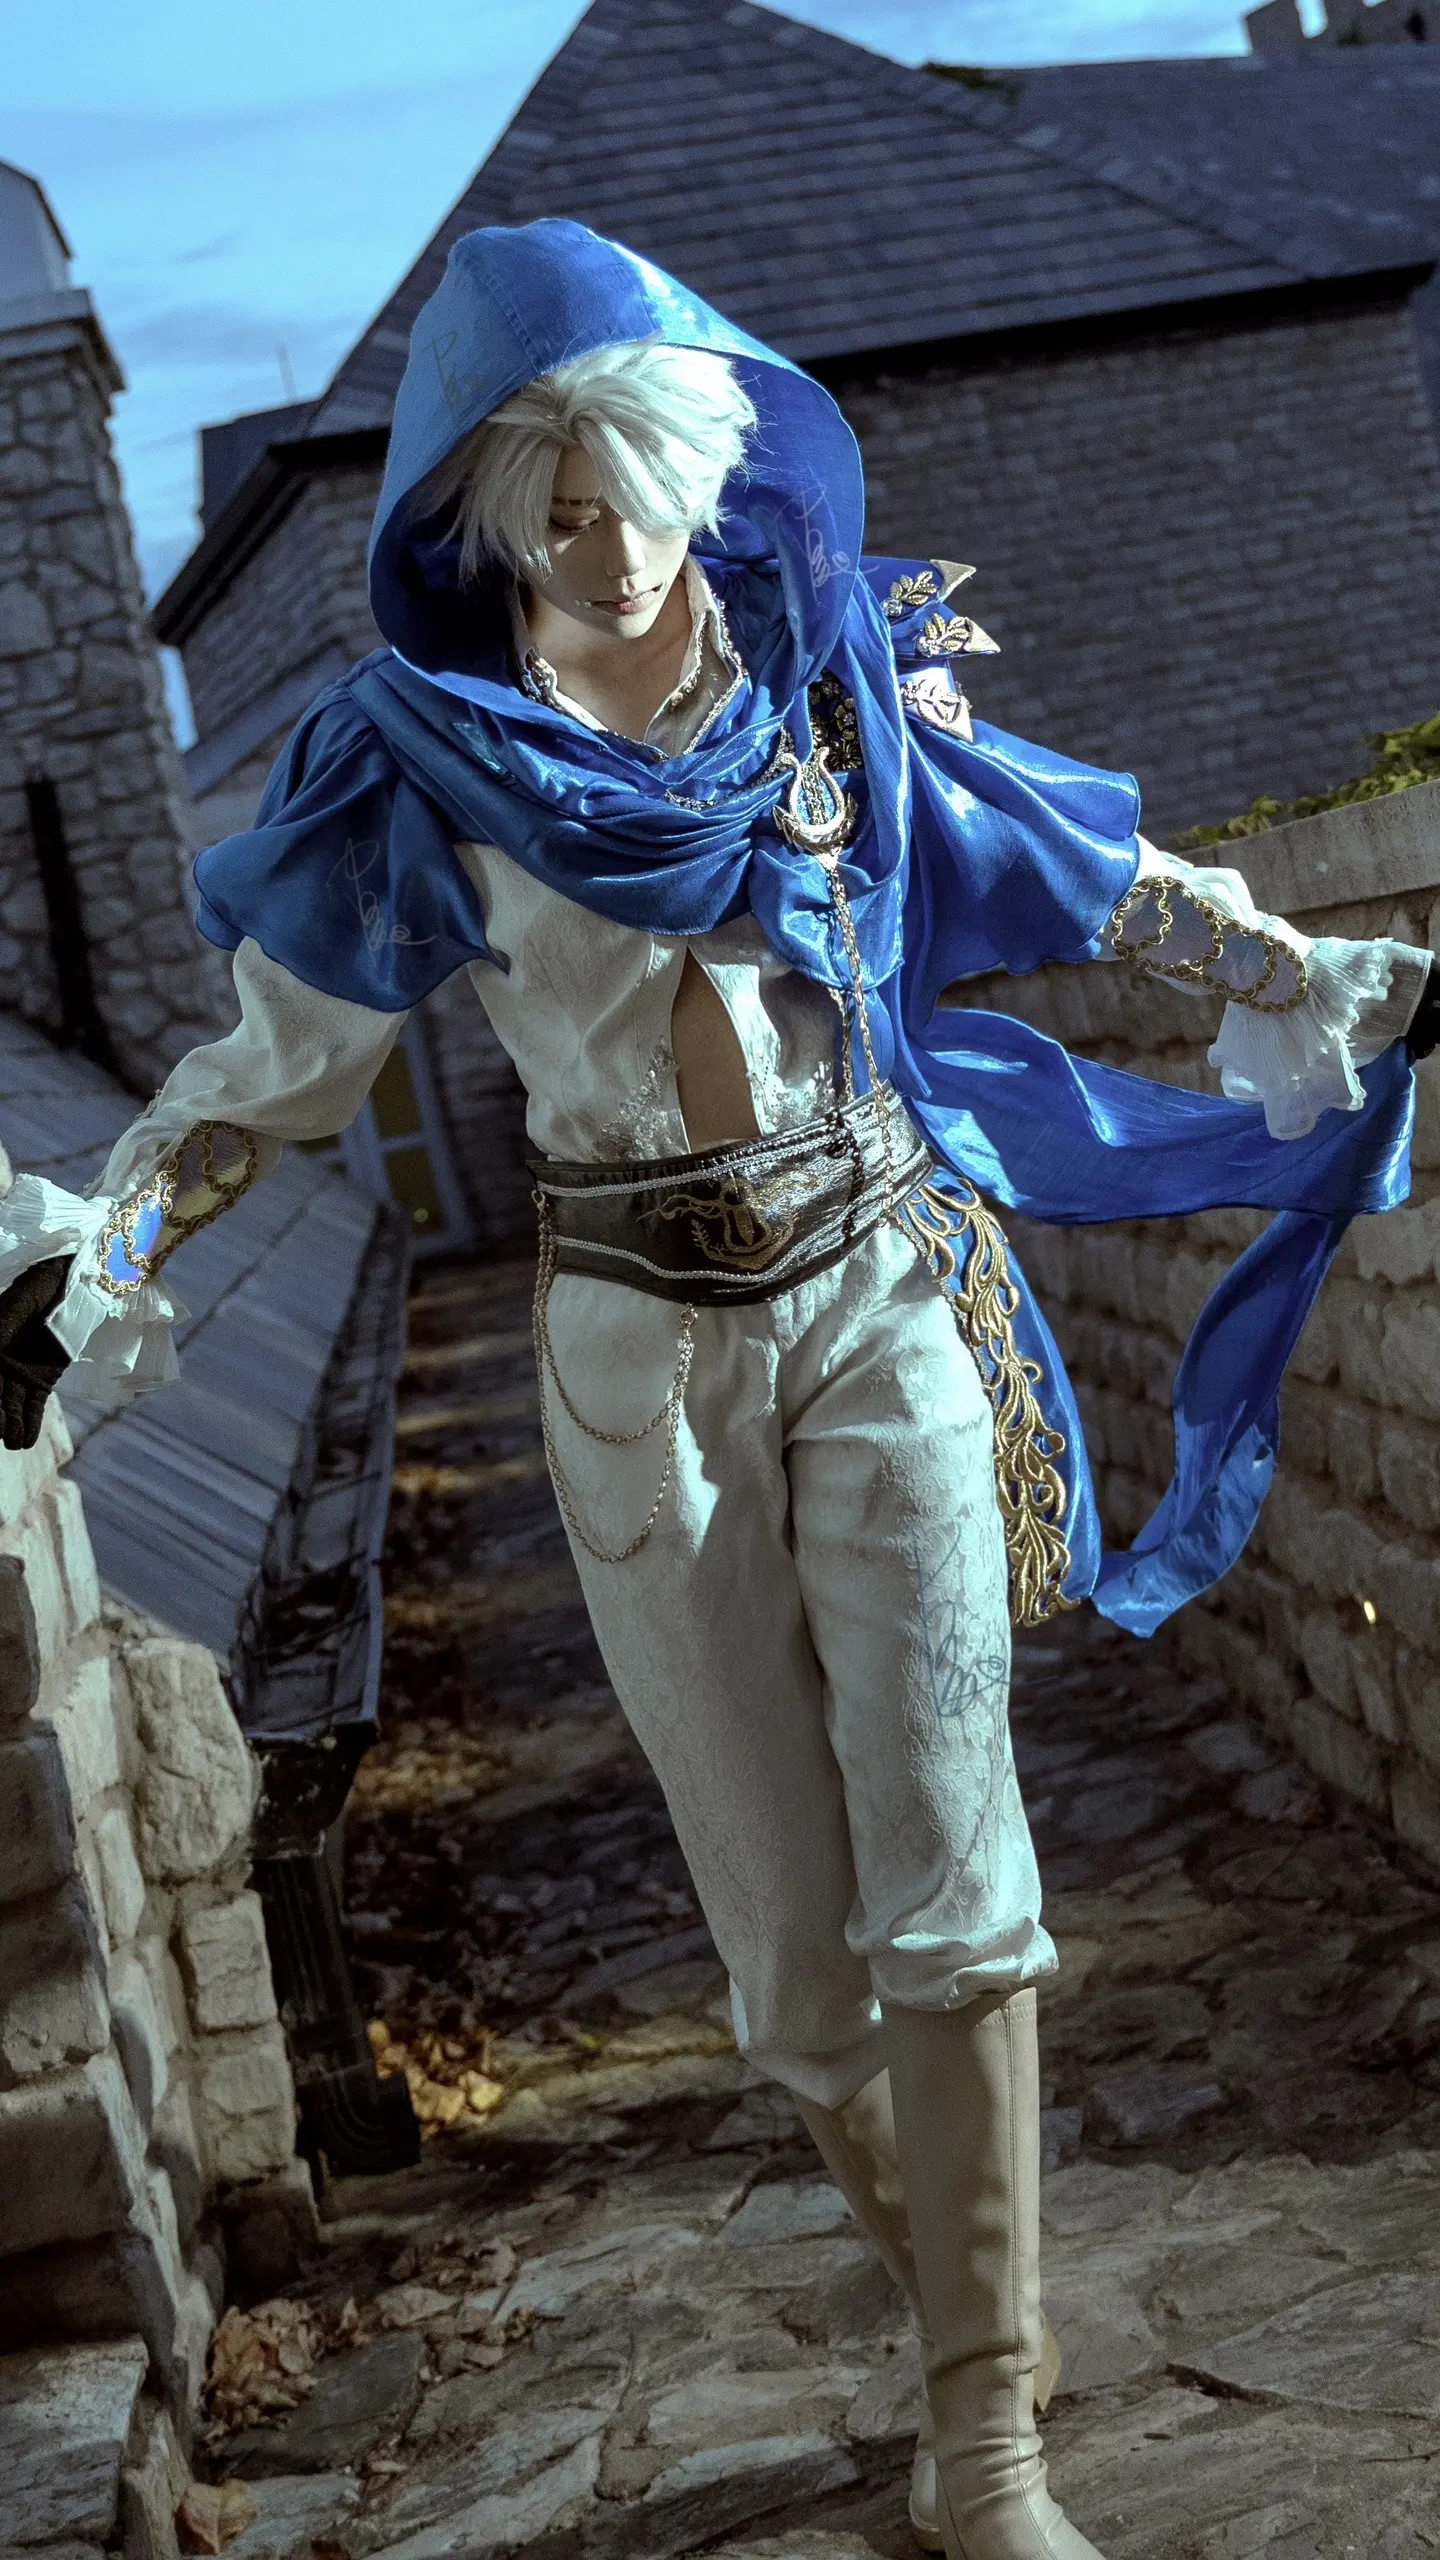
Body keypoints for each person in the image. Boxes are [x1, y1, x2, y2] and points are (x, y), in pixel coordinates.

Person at [0, 220, 1431, 2560]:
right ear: (488, 513)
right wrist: (97, 1263)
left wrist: (1306, 970)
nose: (600, 532)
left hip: (875, 1292)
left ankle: (989, 2441)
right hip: (630, 1363)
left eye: (630, 476)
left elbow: (1078, 862)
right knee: (792, 1977)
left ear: (696, 460)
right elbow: (269, 1082)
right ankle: (968, 2308)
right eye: (547, 493)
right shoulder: (434, 766)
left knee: (958, 1884)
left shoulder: (833, 691)